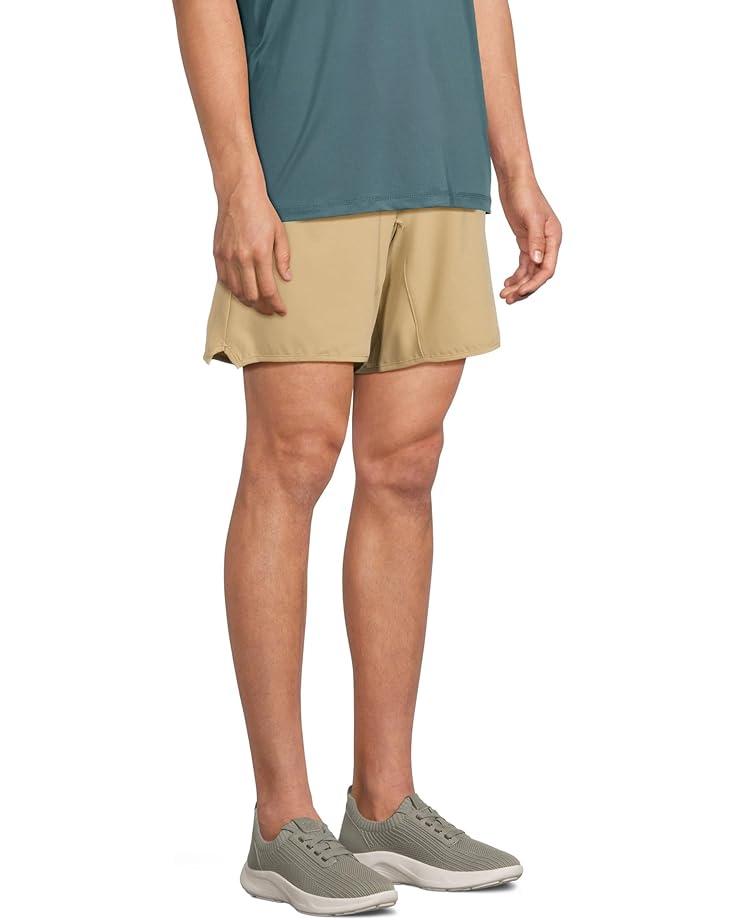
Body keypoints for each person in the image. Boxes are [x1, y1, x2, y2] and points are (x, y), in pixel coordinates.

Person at [173, 0, 561, 913]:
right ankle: (281, 823)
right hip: (303, 164)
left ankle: (384, 805)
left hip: (438, 162)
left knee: (407, 466)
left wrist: (517, 169)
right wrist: (236, 180)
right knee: (293, 460)